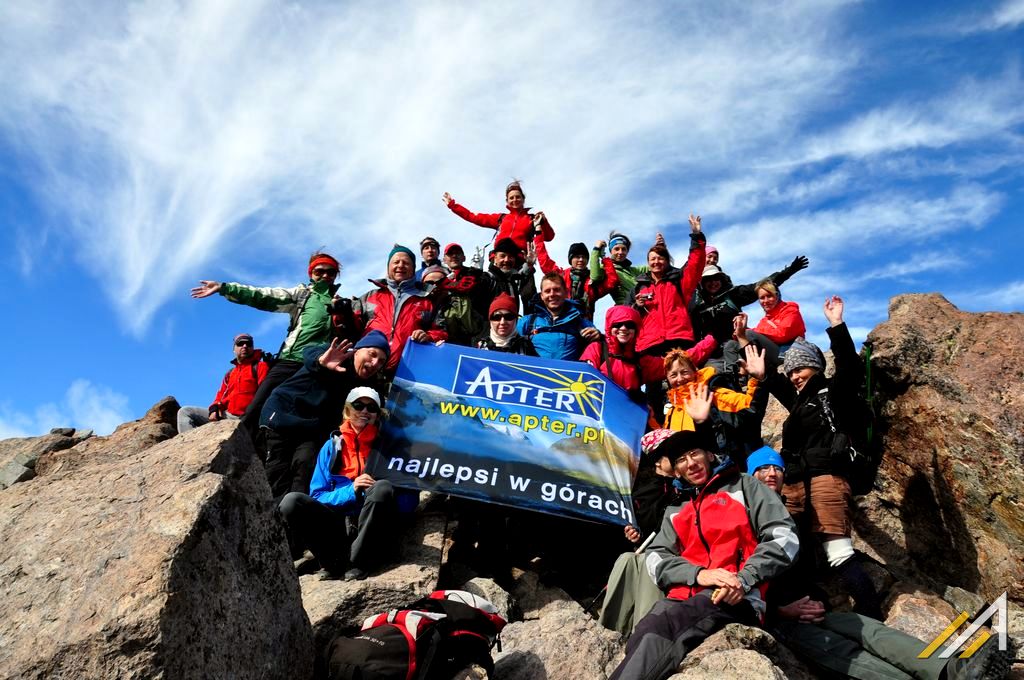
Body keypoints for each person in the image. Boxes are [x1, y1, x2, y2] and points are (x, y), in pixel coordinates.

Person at [747, 449, 1016, 680]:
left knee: (869, 629)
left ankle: (951, 670)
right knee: (843, 651)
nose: (771, 473)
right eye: (762, 469)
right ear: (749, 477)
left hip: (810, 609)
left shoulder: (792, 518)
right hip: (775, 619)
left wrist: (815, 602)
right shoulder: (741, 519)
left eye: (776, 468)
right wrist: (781, 611)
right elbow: (738, 581)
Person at [609, 385, 799, 680]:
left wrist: (744, 579)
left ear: (709, 454)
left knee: (664, 628)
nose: (690, 462)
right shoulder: (678, 508)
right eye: (681, 460)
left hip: (735, 597)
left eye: (694, 453)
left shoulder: (746, 486)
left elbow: (784, 538)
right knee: (643, 630)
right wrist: (697, 574)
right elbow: (656, 558)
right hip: (685, 594)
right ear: (677, 471)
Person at [746, 295, 882, 620]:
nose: (794, 376)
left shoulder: (833, 393)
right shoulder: (801, 402)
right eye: (791, 372)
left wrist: (837, 325)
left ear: (817, 366)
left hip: (826, 476)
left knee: (838, 552)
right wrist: (765, 375)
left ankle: (872, 618)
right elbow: (783, 387)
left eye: (801, 368)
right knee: (792, 543)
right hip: (796, 480)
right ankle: (807, 604)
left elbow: (849, 366)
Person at [190, 251, 345, 442]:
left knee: (308, 416)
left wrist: (344, 314)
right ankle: (237, 453)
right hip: (290, 360)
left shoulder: (343, 303)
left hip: (318, 366)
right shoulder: (302, 295)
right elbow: (264, 296)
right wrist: (225, 288)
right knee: (258, 407)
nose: (324, 276)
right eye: (319, 271)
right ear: (310, 273)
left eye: (330, 272)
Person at [278, 387, 418, 581]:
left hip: (374, 528)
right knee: (291, 502)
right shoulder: (332, 446)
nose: (365, 411)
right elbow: (318, 495)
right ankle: (331, 562)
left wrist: (380, 495)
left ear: (378, 414)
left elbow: (409, 501)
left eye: (371, 408)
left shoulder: (392, 447)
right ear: (347, 410)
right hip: (337, 526)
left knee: (382, 488)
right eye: (358, 405)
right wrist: (352, 490)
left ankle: (359, 562)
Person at [259, 332, 389, 499]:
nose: (375, 363)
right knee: (277, 477)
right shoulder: (337, 354)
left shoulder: (365, 385)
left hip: (311, 432)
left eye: (381, 361)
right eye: (372, 354)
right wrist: (321, 360)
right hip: (281, 419)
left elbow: (382, 404)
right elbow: (310, 353)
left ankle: (293, 516)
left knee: (305, 470)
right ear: (357, 350)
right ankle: (274, 520)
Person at [598, 429, 689, 636]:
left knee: (649, 562)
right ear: (657, 459)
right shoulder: (639, 489)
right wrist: (633, 534)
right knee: (626, 560)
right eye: (671, 453)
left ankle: (642, 634)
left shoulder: (687, 487)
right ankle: (610, 632)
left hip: (672, 555)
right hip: (642, 549)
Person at [661, 344, 768, 459]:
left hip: (722, 464)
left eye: (684, 372)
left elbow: (749, 406)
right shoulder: (672, 411)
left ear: (695, 372)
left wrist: (758, 380)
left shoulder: (712, 394)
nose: (680, 379)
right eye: (673, 375)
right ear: (667, 379)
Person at [351, 245, 447, 372]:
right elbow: (351, 327)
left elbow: (441, 331)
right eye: (396, 262)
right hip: (368, 368)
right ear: (388, 267)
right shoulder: (371, 296)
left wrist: (428, 336)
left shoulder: (427, 300)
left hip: (408, 372)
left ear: (413, 269)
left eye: (406, 263)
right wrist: (341, 313)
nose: (400, 265)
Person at [692, 255, 809, 348]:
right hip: (710, 349)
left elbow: (762, 285)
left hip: (738, 343)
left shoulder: (734, 294)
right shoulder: (698, 306)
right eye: (708, 280)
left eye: (716, 279)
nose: (713, 283)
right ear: (702, 283)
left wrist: (790, 270)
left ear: (722, 280)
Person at [632, 215, 705, 358]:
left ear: (667, 261)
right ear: (648, 262)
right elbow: (627, 315)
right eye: (653, 259)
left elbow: (695, 265)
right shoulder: (638, 288)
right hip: (649, 346)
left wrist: (696, 236)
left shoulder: (678, 281)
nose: (656, 262)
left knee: (684, 380)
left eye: (660, 258)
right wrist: (637, 306)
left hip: (679, 340)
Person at [177, 333, 270, 433]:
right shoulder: (230, 373)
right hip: (227, 415)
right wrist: (214, 409)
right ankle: (190, 446)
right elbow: (221, 395)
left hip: (248, 419)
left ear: (253, 347)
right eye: (240, 343)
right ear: (234, 349)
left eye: (248, 344)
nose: (245, 346)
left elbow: (264, 395)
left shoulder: (261, 367)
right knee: (185, 412)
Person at [443, 180, 555, 253]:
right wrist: (453, 205)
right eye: (511, 198)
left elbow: (549, 237)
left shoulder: (532, 219)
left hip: (521, 260)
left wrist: (544, 222)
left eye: (517, 197)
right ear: (507, 201)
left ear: (523, 199)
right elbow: (473, 217)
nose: (514, 200)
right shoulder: (501, 218)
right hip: (499, 258)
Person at [517, 272, 600, 361]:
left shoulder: (581, 323)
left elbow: (599, 349)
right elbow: (506, 342)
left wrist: (599, 337)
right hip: (534, 374)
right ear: (541, 296)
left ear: (565, 292)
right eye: (547, 291)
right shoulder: (527, 322)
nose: (552, 294)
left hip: (568, 374)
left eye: (557, 290)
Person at [533, 233, 618, 318]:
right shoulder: (561, 276)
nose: (581, 260)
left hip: (585, 327)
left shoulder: (592, 283)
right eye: (577, 257)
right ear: (571, 259)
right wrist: (538, 234)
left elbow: (612, 282)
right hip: (561, 324)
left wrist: (603, 257)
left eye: (584, 257)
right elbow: (544, 261)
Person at [434, 243, 491, 346]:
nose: (454, 256)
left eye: (457, 253)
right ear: (444, 259)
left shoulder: (475, 274)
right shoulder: (439, 278)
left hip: (474, 336)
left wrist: (478, 273)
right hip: (448, 337)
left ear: (464, 257)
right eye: (450, 254)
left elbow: (484, 289)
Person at [591, 231, 655, 306]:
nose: (620, 252)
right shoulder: (607, 269)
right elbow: (595, 277)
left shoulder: (634, 270)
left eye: (623, 249)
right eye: (616, 249)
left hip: (643, 307)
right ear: (611, 251)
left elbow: (657, 267)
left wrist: (660, 248)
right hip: (626, 310)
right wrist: (596, 250)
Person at [482, 237, 537, 313]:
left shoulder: (513, 280)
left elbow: (522, 274)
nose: (506, 260)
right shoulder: (488, 278)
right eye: (502, 256)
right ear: (495, 258)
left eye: (510, 256)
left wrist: (529, 265)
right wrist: (475, 272)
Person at [746, 279, 806, 348]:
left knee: (749, 334)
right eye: (762, 298)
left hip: (789, 352)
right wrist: (740, 331)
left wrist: (750, 331)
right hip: (774, 352)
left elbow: (783, 334)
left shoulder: (791, 311)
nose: (766, 301)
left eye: (769, 296)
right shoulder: (764, 320)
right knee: (733, 344)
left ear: (777, 296)